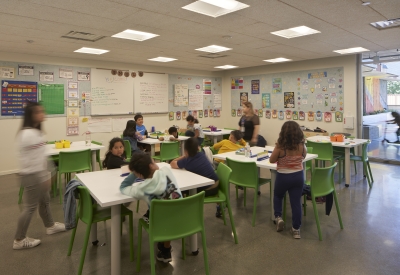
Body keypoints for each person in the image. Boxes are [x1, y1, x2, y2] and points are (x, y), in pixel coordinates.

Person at [13, 101, 66, 250]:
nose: (43, 114)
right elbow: (36, 160)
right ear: (32, 115)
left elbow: (41, 155)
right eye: (39, 112)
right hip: (32, 175)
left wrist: (48, 173)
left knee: (45, 201)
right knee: (30, 207)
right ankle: (19, 239)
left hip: (37, 174)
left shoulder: (34, 132)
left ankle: (50, 225)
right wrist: (46, 176)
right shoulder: (29, 134)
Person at [120, 152, 182, 263]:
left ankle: (164, 248)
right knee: (167, 208)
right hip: (183, 219)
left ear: (139, 173)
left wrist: (135, 173)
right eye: (153, 161)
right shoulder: (166, 171)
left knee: (149, 214)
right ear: (151, 165)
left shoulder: (141, 189)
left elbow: (123, 187)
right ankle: (165, 248)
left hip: (161, 225)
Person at [269, 121, 307, 239]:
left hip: (283, 176)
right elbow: (304, 156)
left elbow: (271, 160)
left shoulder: (280, 147)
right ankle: (296, 229)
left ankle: (278, 217)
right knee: (296, 202)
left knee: (278, 196)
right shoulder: (301, 145)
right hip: (298, 176)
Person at [171, 138, 220, 215]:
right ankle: (219, 207)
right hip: (216, 184)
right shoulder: (202, 155)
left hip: (207, 189)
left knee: (181, 190)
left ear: (186, 151)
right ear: (198, 148)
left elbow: (172, 163)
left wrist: (184, 156)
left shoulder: (187, 160)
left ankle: (184, 212)